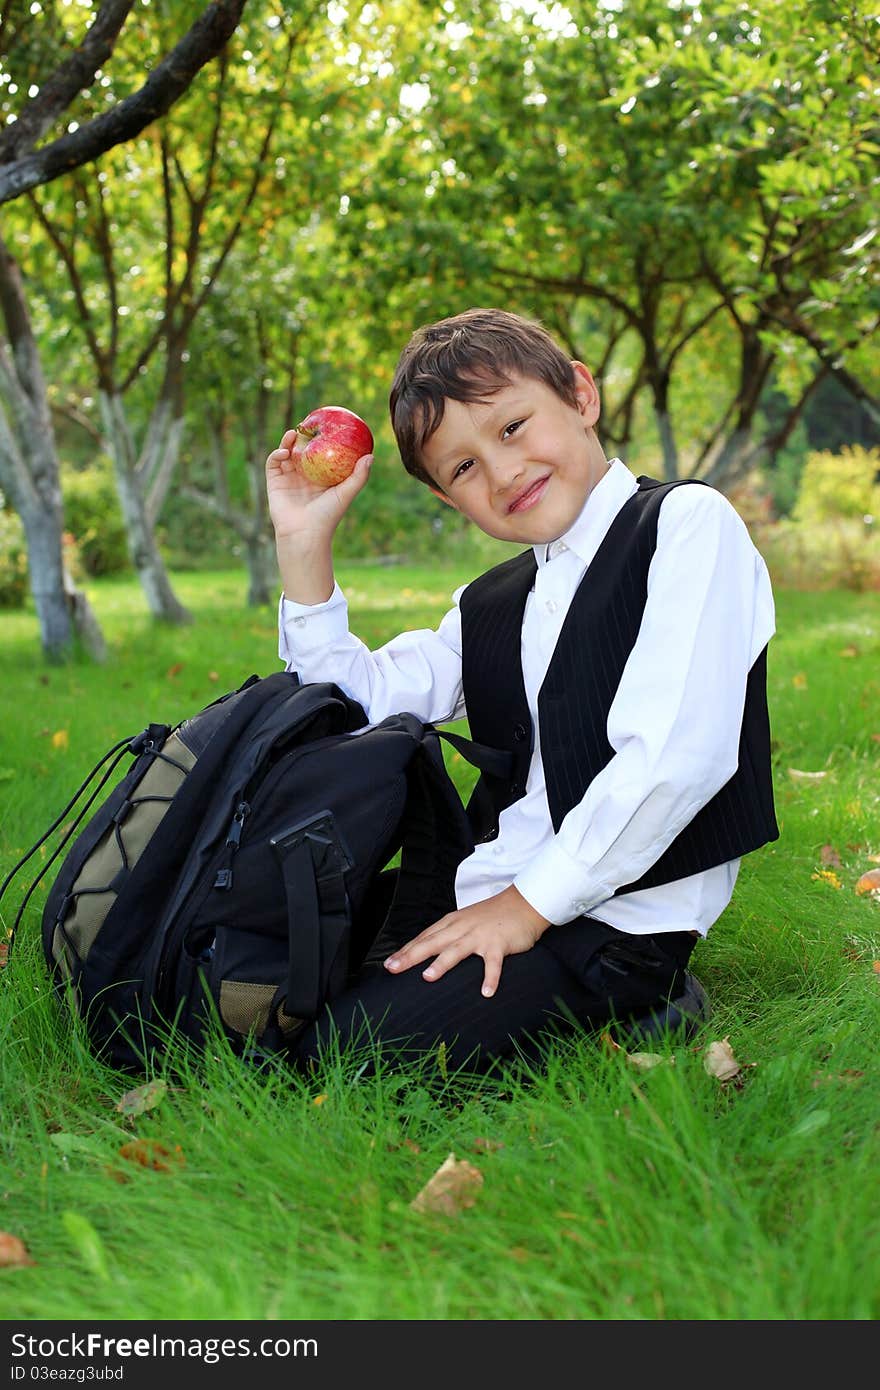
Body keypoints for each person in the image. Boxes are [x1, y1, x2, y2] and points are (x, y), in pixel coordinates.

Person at [265, 307, 778, 1075]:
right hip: (496, 885)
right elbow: (352, 711)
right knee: (274, 960)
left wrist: (523, 909)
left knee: (341, 1057)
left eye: (511, 427)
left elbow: (676, 758)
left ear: (579, 395)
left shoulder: (682, 525)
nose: (502, 473)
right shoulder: (493, 601)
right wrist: (303, 547)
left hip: (620, 918)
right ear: (448, 498)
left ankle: (650, 997)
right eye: (463, 468)